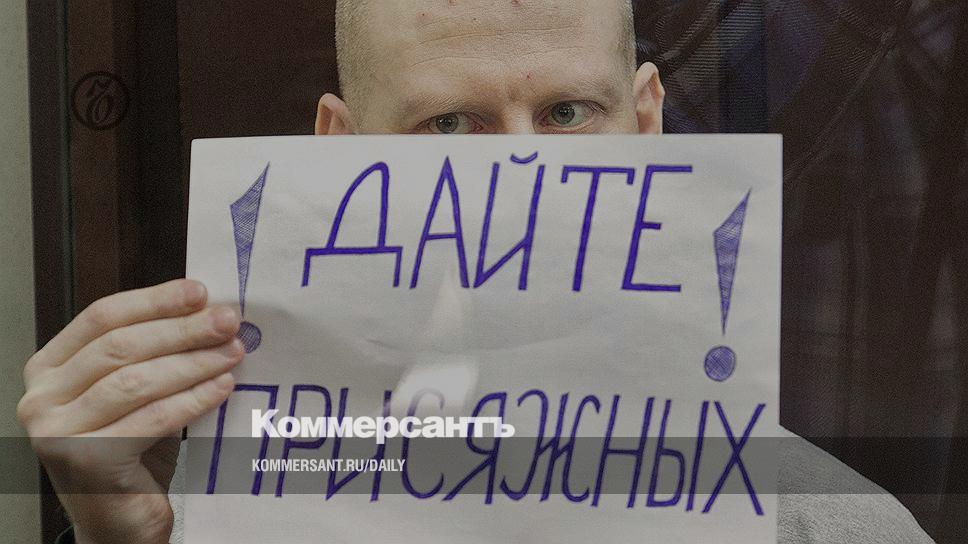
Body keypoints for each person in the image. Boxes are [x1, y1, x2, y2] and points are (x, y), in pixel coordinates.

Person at [17, 1, 934, 543]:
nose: (521, 177)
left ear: (648, 126)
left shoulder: (827, 527)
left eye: (568, 112)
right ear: (338, 150)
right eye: (449, 125)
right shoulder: (225, 514)